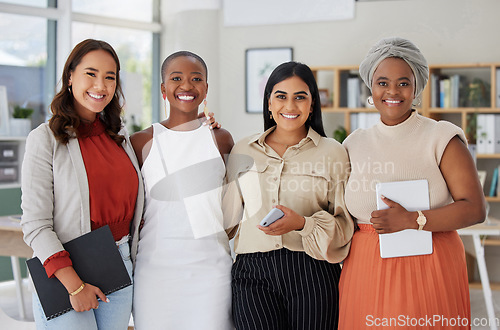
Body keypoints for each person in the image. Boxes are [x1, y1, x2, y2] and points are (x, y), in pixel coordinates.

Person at [339, 37, 486, 329]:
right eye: (382, 82)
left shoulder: (442, 137)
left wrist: (412, 219)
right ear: (371, 87)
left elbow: (475, 209)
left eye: (403, 83)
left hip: (429, 265)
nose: (392, 91)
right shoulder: (354, 143)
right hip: (365, 268)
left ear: (416, 87)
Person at [21, 39, 145, 329]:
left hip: (119, 263)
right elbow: (35, 224)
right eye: (91, 73)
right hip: (66, 271)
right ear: (69, 77)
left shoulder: (121, 139)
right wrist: (74, 286)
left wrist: (202, 127)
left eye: (110, 77)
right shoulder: (45, 139)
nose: (100, 85)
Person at [224, 61, 355, 330]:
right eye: (281, 96)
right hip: (252, 271)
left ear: (312, 104)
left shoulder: (333, 152)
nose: (290, 106)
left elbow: (344, 227)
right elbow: (226, 221)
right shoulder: (243, 149)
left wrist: (303, 224)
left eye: (300, 97)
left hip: (313, 271)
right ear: (269, 103)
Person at [131, 51, 235, 329]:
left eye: (196, 79)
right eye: (176, 78)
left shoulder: (221, 139)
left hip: (211, 272)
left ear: (206, 88)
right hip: (155, 272)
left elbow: (231, 211)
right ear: (163, 88)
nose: (186, 86)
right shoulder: (141, 141)